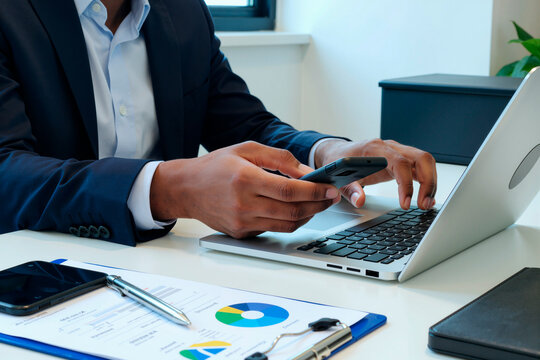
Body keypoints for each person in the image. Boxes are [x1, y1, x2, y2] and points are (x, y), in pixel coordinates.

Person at [0, 0, 437, 246]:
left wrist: (327, 152)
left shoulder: (182, 12)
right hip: (38, 275)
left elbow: (246, 125)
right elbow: (6, 172)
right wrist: (168, 189)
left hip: (173, 268)